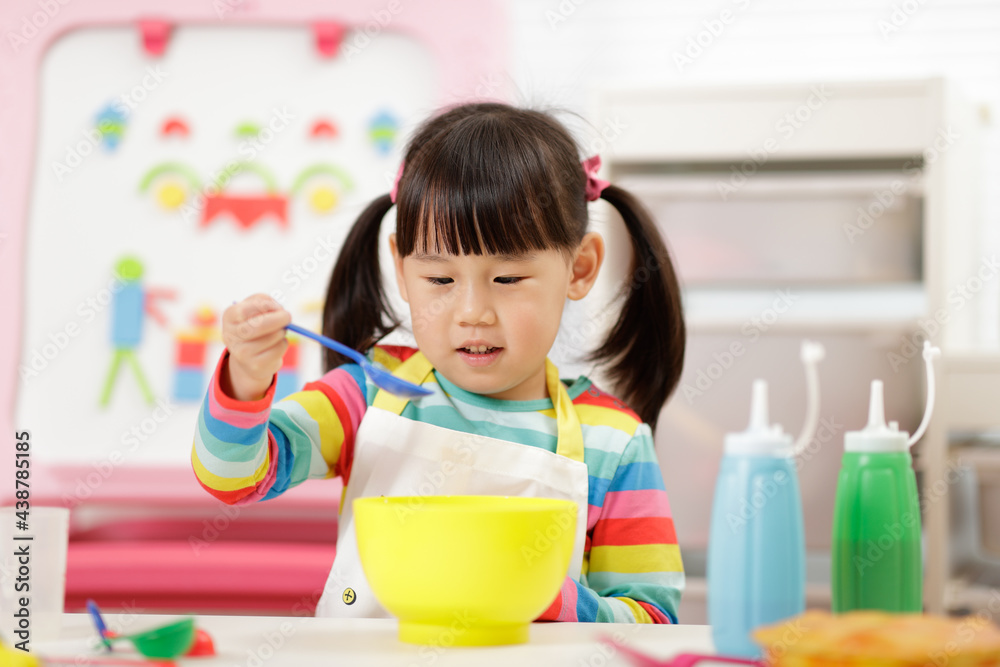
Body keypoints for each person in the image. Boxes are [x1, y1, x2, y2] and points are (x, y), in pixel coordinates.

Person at [191, 102, 687, 623]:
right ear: (403, 270)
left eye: (509, 279)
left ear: (579, 269)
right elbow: (232, 478)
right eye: (441, 281)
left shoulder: (614, 440)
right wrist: (246, 378)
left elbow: (652, 622)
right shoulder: (364, 398)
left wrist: (543, 595)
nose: (472, 313)